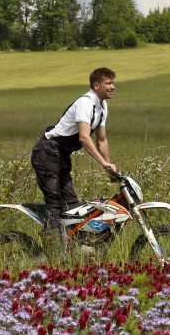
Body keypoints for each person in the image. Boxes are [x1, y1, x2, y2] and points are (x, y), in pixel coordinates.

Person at [31, 67, 119, 244]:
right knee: (54, 201)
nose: (113, 87)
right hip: (48, 152)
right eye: (108, 83)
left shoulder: (102, 107)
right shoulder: (85, 103)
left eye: (113, 83)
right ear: (96, 85)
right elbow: (85, 138)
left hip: (62, 155)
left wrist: (110, 167)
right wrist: (103, 163)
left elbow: (101, 140)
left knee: (72, 204)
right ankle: (52, 245)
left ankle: (72, 245)